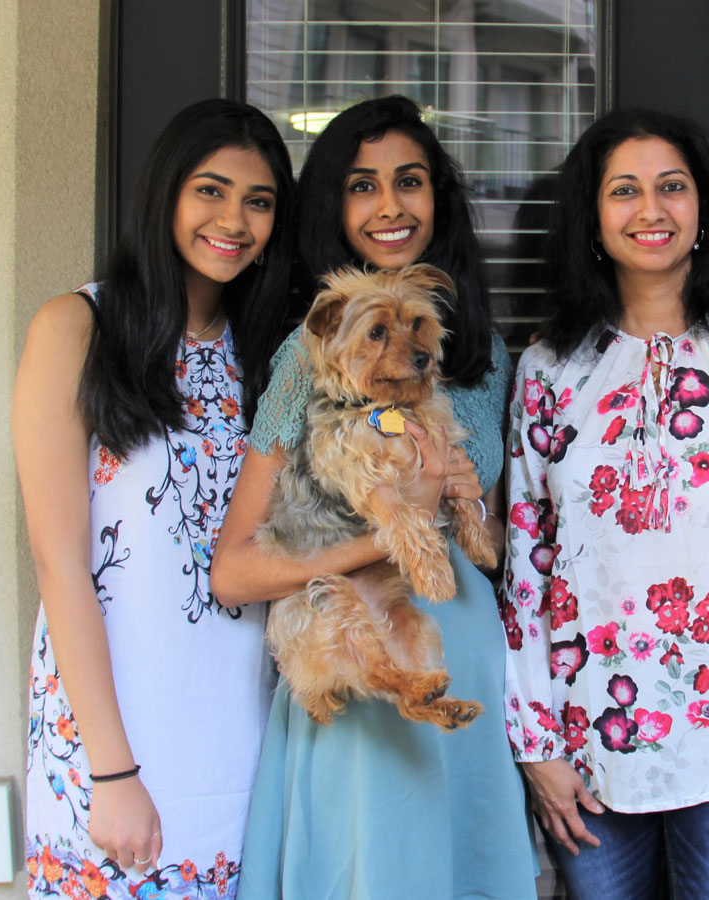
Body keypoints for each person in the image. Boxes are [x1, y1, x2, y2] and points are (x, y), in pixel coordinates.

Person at [502, 108, 709, 899]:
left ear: (703, 211)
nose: (650, 211)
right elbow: (527, 562)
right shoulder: (551, 368)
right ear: (592, 216)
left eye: (672, 188)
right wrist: (537, 744)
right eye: (625, 191)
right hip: (588, 747)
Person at [210, 95, 537, 900]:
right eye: (362, 185)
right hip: (359, 655)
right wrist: (388, 537)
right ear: (335, 206)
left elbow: (487, 529)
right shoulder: (307, 355)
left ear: (440, 200)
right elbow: (236, 569)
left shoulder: (486, 355)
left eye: (410, 181)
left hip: (465, 657)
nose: (390, 205)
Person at [16, 99, 296, 898]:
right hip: (115, 732)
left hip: (241, 727)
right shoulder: (78, 327)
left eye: (259, 201)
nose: (234, 220)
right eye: (210, 190)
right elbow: (58, 561)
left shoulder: (270, 354)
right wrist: (112, 770)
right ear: (166, 192)